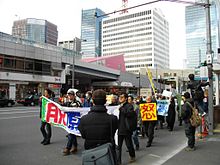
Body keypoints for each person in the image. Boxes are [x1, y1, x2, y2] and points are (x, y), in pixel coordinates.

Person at [78, 89, 118, 161]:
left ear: (92, 101)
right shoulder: (113, 119)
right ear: (105, 101)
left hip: (90, 153)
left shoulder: (84, 119)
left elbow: (83, 135)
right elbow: (113, 133)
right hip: (107, 153)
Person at [117, 92, 136, 164]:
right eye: (119, 97)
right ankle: (119, 161)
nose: (120, 98)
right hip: (119, 128)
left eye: (122, 97)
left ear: (125, 98)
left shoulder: (129, 106)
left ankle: (132, 156)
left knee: (129, 144)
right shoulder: (118, 106)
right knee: (118, 146)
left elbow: (130, 114)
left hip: (126, 129)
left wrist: (121, 109)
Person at [62, 89, 82, 156]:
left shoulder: (77, 103)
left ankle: (68, 148)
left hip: (76, 120)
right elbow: (62, 107)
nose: (69, 96)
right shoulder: (67, 102)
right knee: (72, 133)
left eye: (71, 95)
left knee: (71, 133)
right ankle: (75, 146)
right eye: (69, 95)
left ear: (74, 96)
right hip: (69, 120)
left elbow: (80, 109)